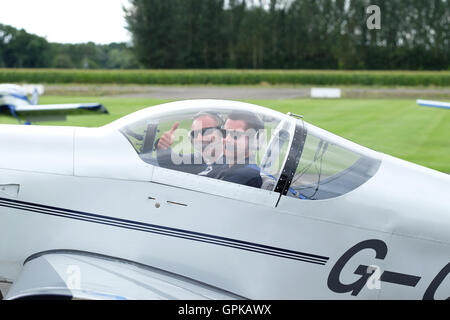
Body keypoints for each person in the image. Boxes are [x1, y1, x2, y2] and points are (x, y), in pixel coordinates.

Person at [156, 110, 226, 176]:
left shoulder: (231, 164)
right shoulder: (196, 161)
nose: (199, 139)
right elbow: (168, 162)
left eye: (205, 131)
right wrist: (163, 146)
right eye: (195, 134)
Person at [212, 111, 264, 188]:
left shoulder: (247, 174)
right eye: (224, 133)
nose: (227, 139)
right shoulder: (224, 166)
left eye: (235, 135)